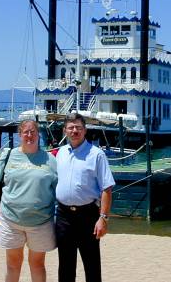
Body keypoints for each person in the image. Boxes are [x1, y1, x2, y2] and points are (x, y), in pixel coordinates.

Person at [0, 120, 57, 282]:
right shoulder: (9, 155)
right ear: (20, 134)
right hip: (10, 220)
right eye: (26, 132)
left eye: (33, 132)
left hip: (41, 222)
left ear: (38, 134)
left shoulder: (50, 159)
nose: (29, 136)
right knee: (13, 264)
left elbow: (60, 189)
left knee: (37, 264)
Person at [55, 113, 115, 282]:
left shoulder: (96, 155)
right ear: (65, 130)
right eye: (71, 128)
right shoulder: (60, 153)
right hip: (63, 216)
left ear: (85, 130)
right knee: (65, 265)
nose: (75, 131)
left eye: (78, 128)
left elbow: (107, 188)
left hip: (88, 216)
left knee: (92, 265)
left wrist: (103, 218)